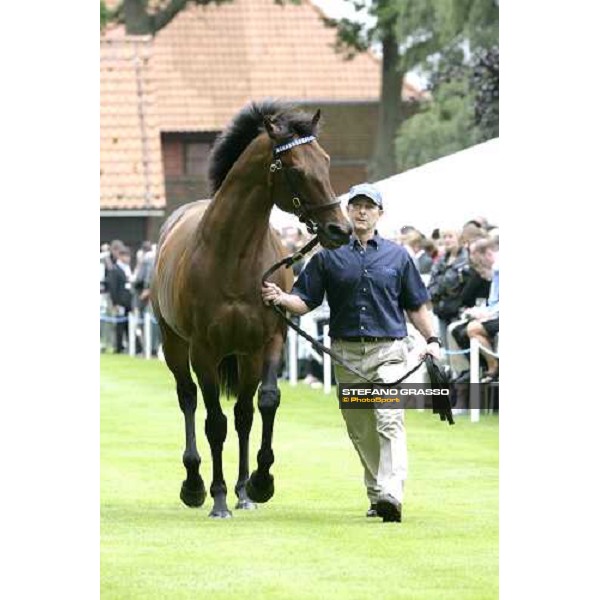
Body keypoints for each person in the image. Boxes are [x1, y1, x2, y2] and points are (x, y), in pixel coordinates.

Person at [262, 182, 440, 523]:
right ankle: (378, 494)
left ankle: (392, 491)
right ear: (347, 211)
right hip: (346, 356)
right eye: (356, 205)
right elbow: (305, 300)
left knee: (389, 418)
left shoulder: (398, 256)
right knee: (361, 429)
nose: (361, 211)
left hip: (389, 352)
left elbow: (416, 305)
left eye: (368, 206)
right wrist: (281, 298)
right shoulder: (327, 256)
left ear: (379, 214)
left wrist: (432, 339)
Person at [427, 229, 470, 347]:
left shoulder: (467, 259)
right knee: (445, 346)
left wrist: (439, 283)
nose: (447, 240)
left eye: (450, 236)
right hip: (441, 308)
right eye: (444, 237)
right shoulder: (440, 260)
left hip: (458, 310)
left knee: (457, 348)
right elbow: (432, 284)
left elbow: (451, 283)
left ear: (459, 238)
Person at [107, 246, 134, 354]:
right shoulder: (115, 269)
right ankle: (118, 347)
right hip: (120, 302)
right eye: (126, 256)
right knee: (119, 326)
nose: (128, 259)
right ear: (121, 256)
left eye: (128, 256)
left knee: (128, 325)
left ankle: (130, 346)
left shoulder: (127, 268)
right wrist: (115, 303)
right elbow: (113, 288)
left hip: (128, 302)